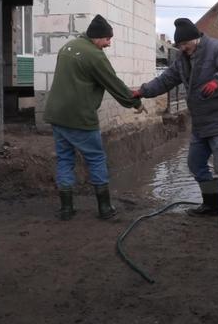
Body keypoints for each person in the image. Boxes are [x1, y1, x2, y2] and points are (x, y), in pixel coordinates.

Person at [133, 18, 218, 226]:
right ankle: (211, 204)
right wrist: (142, 91)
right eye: (180, 46)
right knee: (195, 164)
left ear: (196, 38)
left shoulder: (217, 48)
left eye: (185, 44)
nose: (183, 49)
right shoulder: (182, 60)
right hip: (201, 123)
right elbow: (165, 80)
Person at [44, 14, 146, 221]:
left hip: (56, 115)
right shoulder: (95, 56)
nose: (109, 43)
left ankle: (66, 209)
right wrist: (134, 102)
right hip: (80, 117)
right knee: (96, 158)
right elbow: (113, 82)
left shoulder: (67, 48)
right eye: (107, 39)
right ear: (97, 37)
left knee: (64, 159)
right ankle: (105, 209)